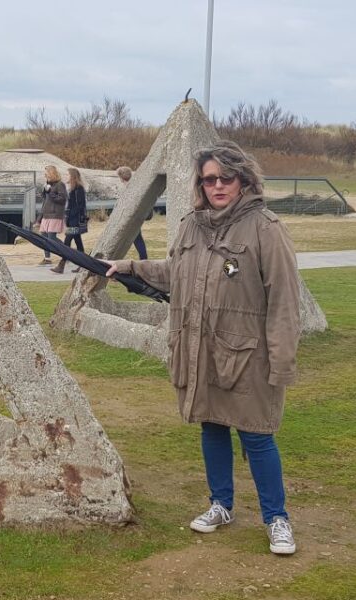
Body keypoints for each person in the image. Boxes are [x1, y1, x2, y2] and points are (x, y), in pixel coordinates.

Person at [105, 141, 301, 555]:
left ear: (243, 179)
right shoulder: (192, 225)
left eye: (225, 178)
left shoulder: (267, 228)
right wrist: (129, 267)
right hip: (200, 348)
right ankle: (221, 504)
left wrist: (281, 365)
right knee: (212, 426)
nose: (217, 185)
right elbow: (176, 271)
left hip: (248, 356)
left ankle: (276, 517)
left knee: (258, 436)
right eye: (209, 179)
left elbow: (284, 302)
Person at [51, 167, 88, 274]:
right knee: (79, 244)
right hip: (72, 220)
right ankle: (84, 265)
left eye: (68, 175)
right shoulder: (73, 189)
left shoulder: (79, 189)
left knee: (67, 242)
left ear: (73, 176)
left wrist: (71, 217)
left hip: (75, 221)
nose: (66, 176)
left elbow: (80, 206)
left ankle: (61, 265)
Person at [116, 166, 149, 259]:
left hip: (132, 218)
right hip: (135, 218)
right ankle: (143, 259)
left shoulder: (129, 188)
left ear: (122, 177)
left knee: (136, 239)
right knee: (138, 239)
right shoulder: (135, 186)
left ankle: (143, 259)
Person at [37, 165, 67, 266]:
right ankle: (47, 259)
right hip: (46, 215)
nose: (45, 174)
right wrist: (39, 218)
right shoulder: (47, 184)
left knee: (51, 238)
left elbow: (62, 200)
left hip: (55, 215)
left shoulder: (60, 185)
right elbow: (45, 201)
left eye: (46, 172)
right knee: (44, 238)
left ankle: (68, 253)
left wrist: (50, 193)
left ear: (52, 173)